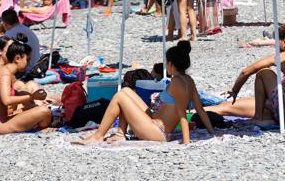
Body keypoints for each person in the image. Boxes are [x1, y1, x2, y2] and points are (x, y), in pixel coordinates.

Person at [70, 41, 215, 144]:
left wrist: (186, 141)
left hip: (158, 131)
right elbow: (200, 110)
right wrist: (212, 133)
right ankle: (121, 133)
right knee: (126, 91)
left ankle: (98, 136)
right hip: (154, 121)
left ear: (170, 64)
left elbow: (182, 114)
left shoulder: (177, 83)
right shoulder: (188, 80)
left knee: (120, 95)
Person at [210, 23, 285, 125]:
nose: (276, 45)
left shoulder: (283, 56)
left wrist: (234, 90)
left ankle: (258, 117)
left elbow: (246, 71)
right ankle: (260, 115)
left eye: (277, 42)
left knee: (263, 72)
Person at [0, 34, 52, 134]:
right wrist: (32, 96)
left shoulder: (5, 71)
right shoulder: (5, 74)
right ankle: (42, 128)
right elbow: (6, 100)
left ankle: (40, 125)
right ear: (17, 58)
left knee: (38, 107)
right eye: (27, 60)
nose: (28, 63)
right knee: (44, 111)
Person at [1, 9, 40, 75]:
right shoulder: (27, 29)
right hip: (35, 66)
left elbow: (4, 57)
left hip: (25, 70)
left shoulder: (9, 34)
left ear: (5, 24)